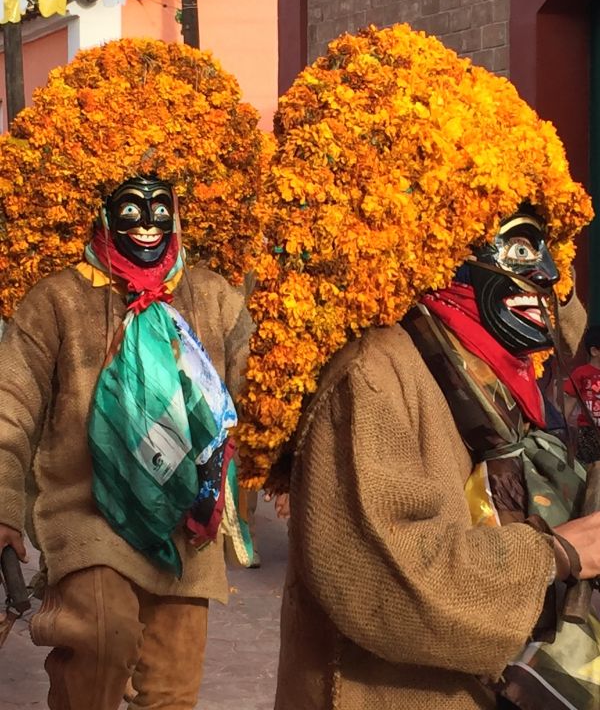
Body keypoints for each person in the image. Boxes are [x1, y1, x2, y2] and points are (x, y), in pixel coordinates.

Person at [274, 207, 600, 710]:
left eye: (548, 250)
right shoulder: (375, 375)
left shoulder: (504, 370)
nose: (549, 275)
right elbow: (388, 583)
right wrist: (554, 554)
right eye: (520, 248)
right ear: (447, 252)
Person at [0, 173, 252, 710]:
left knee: (172, 690)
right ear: (105, 213)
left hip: (187, 525)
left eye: (160, 210)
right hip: (88, 513)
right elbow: (9, 404)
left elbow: (247, 391)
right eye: (131, 210)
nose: (147, 226)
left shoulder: (213, 298)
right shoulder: (58, 300)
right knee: (101, 636)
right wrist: (2, 505)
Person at [564, 325, 600, 464]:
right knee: (588, 468)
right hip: (588, 431)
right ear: (594, 351)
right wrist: (560, 426)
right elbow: (569, 402)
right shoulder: (581, 373)